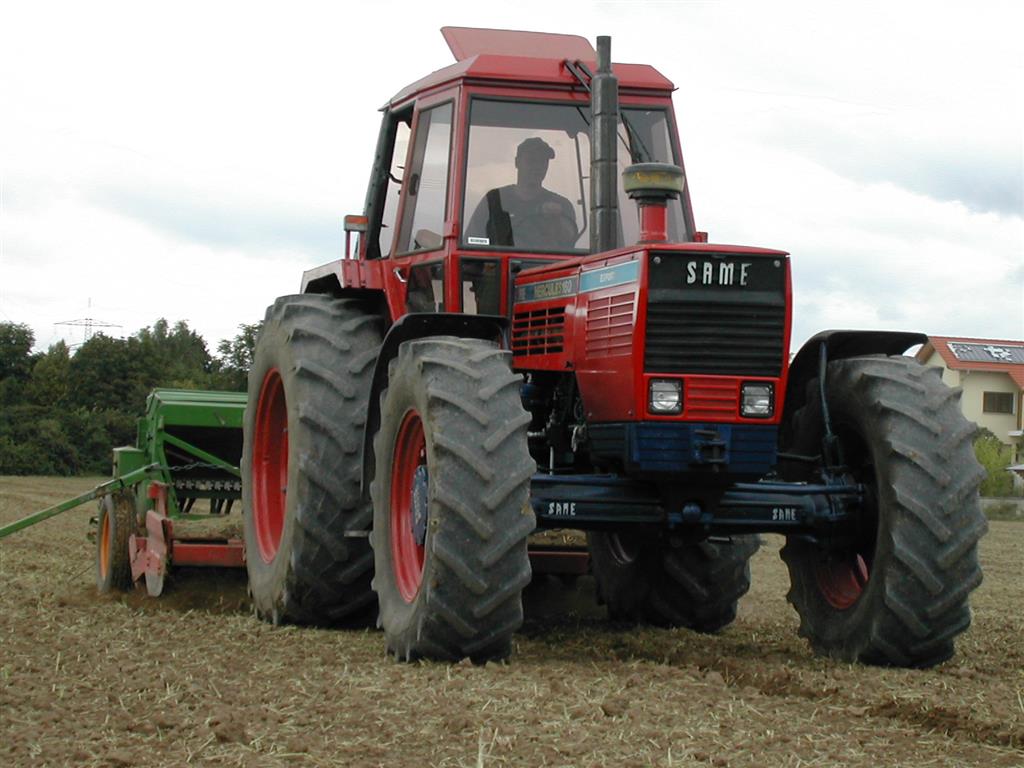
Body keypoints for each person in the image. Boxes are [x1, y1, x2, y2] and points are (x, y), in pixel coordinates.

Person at [465, 137, 579, 250]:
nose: (537, 167)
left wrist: (557, 221)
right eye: (531, 160)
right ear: (517, 162)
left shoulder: (561, 205)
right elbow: (471, 244)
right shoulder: (495, 200)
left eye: (543, 161)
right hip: (500, 261)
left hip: (545, 262)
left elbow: (569, 243)